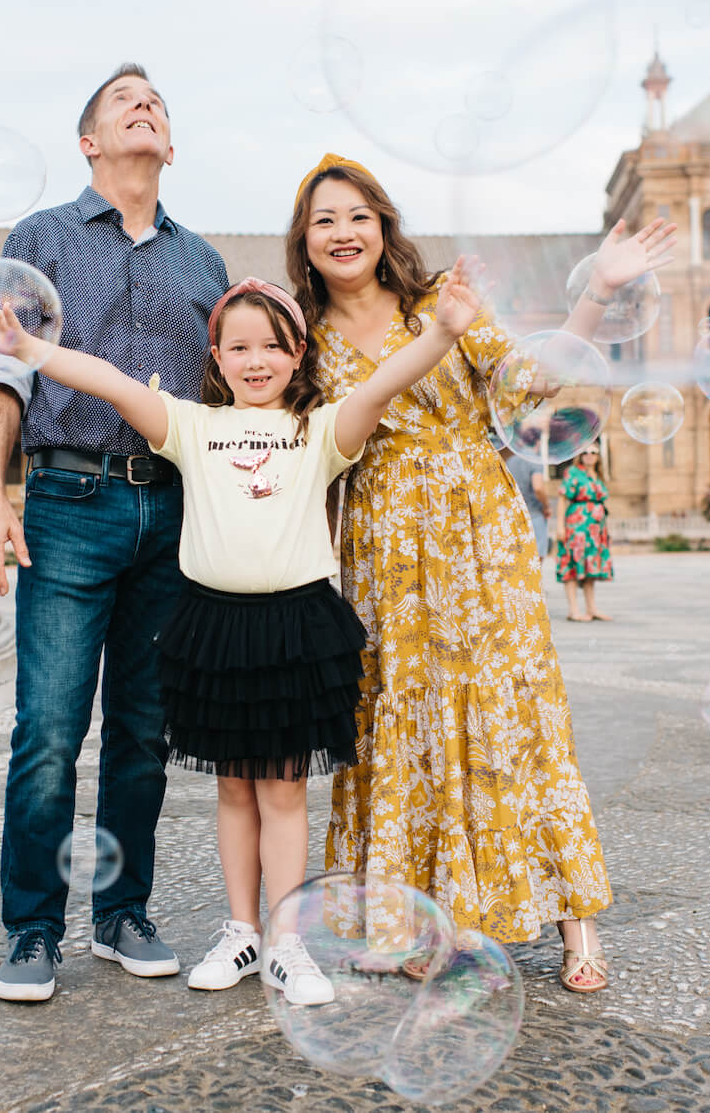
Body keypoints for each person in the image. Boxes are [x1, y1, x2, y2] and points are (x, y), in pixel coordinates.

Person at [0, 268, 482, 1003]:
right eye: (239, 347)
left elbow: (381, 385)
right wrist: (27, 349)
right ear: (216, 357)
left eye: (272, 346)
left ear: (298, 354)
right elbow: (112, 383)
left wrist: (444, 332)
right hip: (215, 627)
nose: (256, 360)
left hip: (296, 627)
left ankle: (287, 941)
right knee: (234, 789)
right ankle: (242, 930)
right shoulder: (193, 426)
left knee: (285, 791)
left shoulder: (320, 429)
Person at [286, 153, 676, 994]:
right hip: (382, 549)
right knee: (405, 723)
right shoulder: (305, 340)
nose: (344, 232)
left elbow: (529, 379)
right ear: (304, 240)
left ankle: (577, 923)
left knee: (513, 711)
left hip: (477, 534)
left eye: (358, 216)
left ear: (383, 226)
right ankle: (408, 919)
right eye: (325, 220)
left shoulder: (440, 300)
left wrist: (599, 289)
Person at [0, 63, 230, 1003]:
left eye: (156, 100)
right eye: (125, 100)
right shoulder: (40, 238)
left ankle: (123, 914)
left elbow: (229, 394)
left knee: (143, 730)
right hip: (69, 500)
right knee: (48, 728)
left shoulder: (205, 264)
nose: (145, 105)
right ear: (90, 141)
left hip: (173, 509)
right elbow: (4, 371)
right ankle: (33, 928)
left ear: (171, 145)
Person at [555, 443, 614, 622]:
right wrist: (560, 526)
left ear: (598, 456)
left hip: (595, 530)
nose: (589, 455)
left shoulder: (598, 476)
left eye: (593, 452)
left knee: (590, 567)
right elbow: (562, 499)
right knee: (572, 564)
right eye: (585, 452)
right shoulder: (573, 473)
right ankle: (574, 610)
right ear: (579, 455)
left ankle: (591, 608)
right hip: (577, 527)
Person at [504, 427, 551, 557]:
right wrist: (546, 506)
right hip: (534, 515)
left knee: (519, 557)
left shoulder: (510, 461)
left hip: (514, 515)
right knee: (537, 556)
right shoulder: (535, 460)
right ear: (538, 442)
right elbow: (538, 488)